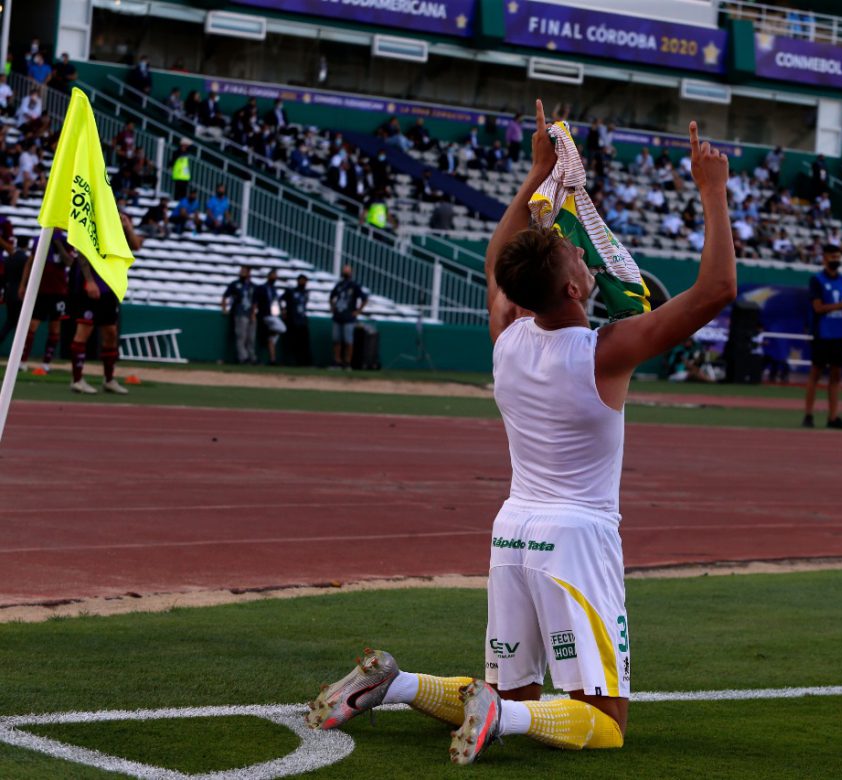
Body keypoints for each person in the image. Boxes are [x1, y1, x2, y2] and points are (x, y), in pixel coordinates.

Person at [305, 102, 737, 763]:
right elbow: (715, 292)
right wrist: (713, 191)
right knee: (604, 721)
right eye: (574, 252)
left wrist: (540, 171)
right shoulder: (604, 350)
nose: (582, 252)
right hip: (577, 539)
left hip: (513, 532)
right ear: (571, 285)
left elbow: (497, 262)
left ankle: (396, 685)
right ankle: (498, 716)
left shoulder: (508, 336)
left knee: (522, 687)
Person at [66, 213, 142, 394]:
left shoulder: (117, 229)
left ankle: (109, 379)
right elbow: (82, 254)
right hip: (90, 286)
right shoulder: (93, 224)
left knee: (110, 332)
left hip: (109, 286)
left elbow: (136, 246)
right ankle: (77, 379)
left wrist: (128, 227)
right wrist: (89, 281)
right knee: (84, 331)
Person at [802, 245, 842, 430]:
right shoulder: (817, 280)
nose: (836, 259)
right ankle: (808, 414)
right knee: (815, 374)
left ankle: (833, 417)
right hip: (822, 332)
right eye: (832, 256)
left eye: (838, 256)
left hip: (840, 333)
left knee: (836, 376)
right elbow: (818, 308)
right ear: (824, 258)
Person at [18, 231, 72, 374]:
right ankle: (22, 361)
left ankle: (46, 362)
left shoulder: (66, 240)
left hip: (58, 292)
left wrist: (58, 244)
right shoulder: (39, 239)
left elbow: (69, 261)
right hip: (39, 290)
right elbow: (30, 263)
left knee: (55, 328)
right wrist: (23, 285)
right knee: (31, 326)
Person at [329, 264, 367, 369]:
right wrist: (333, 308)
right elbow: (331, 297)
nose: (345, 272)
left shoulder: (354, 285)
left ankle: (347, 363)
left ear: (351, 273)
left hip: (349, 318)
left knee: (348, 341)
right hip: (338, 316)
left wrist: (358, 311)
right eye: (344, 270)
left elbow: (364, 299)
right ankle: (337, 362)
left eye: (347, 271)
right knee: (336, 340)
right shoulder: (339, 285)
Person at [222, 266, 257, 364]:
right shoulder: (235, 284)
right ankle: (243, 357)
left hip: (250, 314)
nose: (242, 273)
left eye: (245, 271)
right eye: (241, 271)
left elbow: (255, 302)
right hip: (240, 313)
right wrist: (224, 309)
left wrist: (253, 313)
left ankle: (251, 357)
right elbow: (225, 296)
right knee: (241, 336)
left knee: (251, 338)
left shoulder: (253, 286)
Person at [0, 234, 28, 347]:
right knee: (19, 323)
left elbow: (3, 277)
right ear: (26, 245)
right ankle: (19, 351)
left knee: (10, 322)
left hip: (9, 293)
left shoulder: (9, 258)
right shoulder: (26, 260)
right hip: (20, 294)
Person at [255, 268, 287, 365]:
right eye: (273, 275)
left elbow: (276, 302)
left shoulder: (274, 289)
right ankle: (271, 332)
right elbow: (256, 302)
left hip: (273, 315)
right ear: (269, 276)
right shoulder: (262, 288)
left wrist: (282, 310)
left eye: (276, 275)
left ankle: (272, 360)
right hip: (265, 315)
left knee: (270, 340)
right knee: (282, 329)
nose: (275, 277)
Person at [281, 274, 312, 366]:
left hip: (302, 321)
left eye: (304, 280)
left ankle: (303, 362)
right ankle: (290, 361)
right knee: (291, 343)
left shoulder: (306, 292)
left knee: (303, 344)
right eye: (301, 280)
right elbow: (282, 300)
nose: (303, 282)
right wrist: (284, 311)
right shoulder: (291, 291)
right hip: (292, 321)